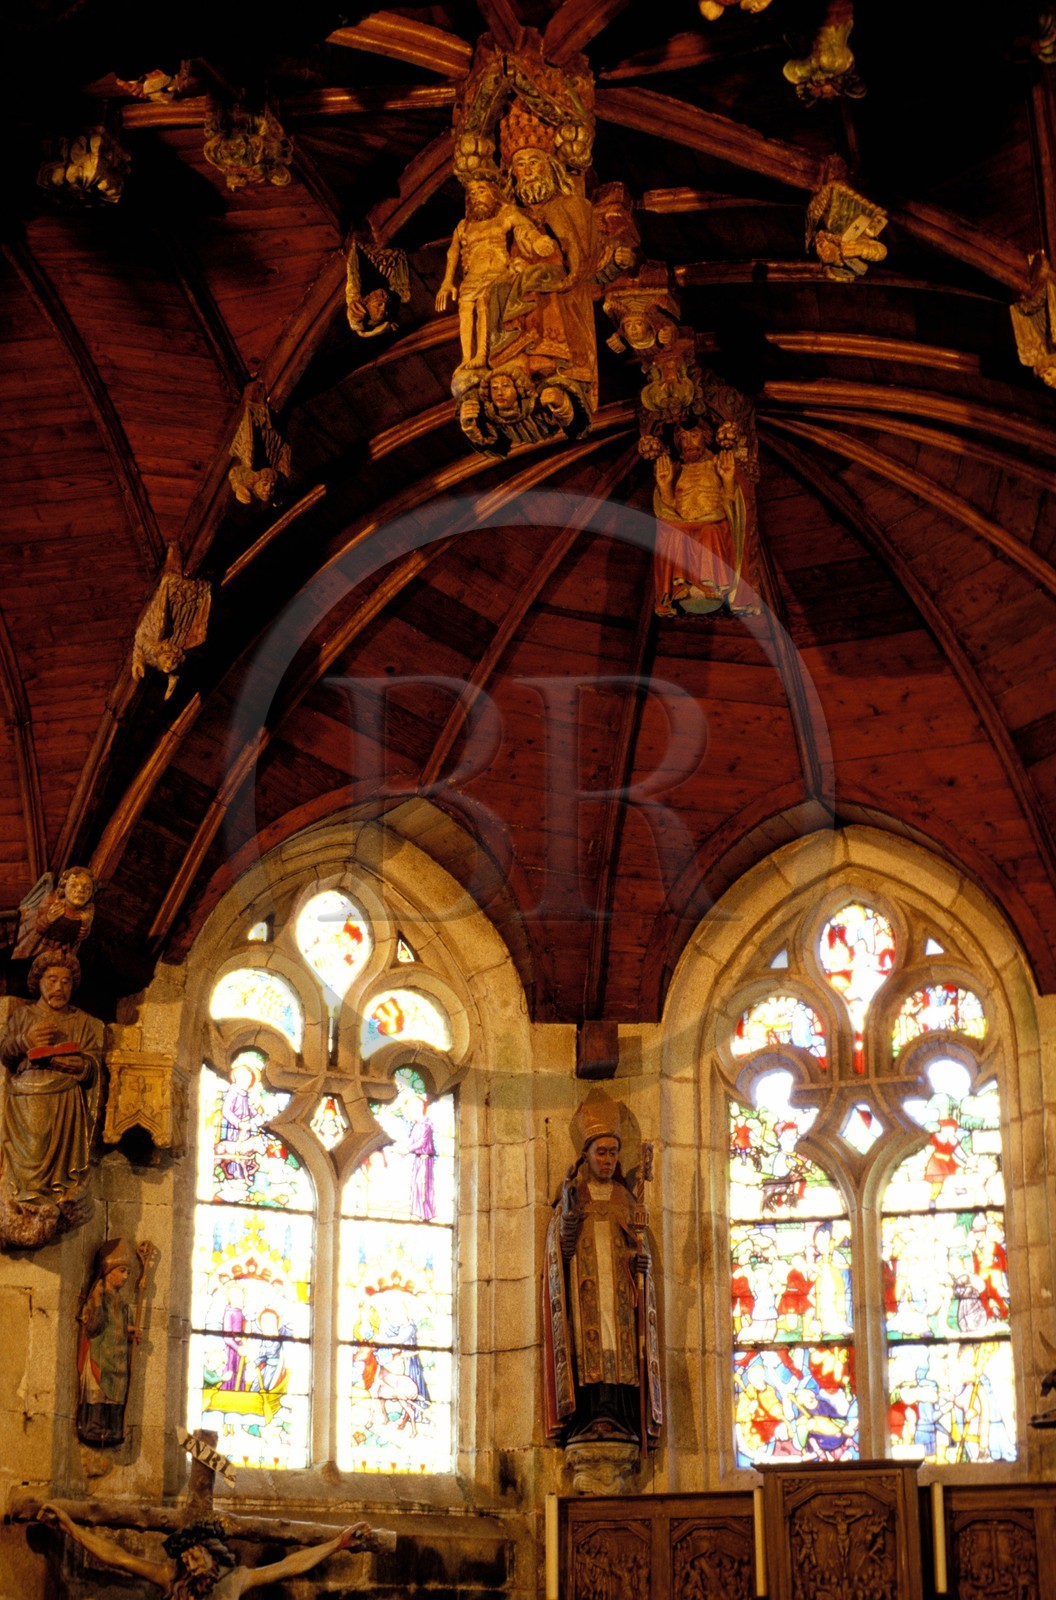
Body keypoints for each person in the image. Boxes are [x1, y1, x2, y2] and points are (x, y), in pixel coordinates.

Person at [542, 1095, 661, 1449]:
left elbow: (640, 1251)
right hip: (586, 1295)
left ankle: (621, 1414)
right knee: (590, 1347)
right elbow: (562, 1250)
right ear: (586, 1156)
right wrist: (568, 1216)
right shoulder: (573, 1197)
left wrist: (642, 1264)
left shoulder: (627, 1200)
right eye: (601, 1153)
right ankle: (589, 1416)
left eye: (613, 1153)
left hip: (620, 1297)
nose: (608, 1160)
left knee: (619, 1346)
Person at [38, 1505, 379, 1599]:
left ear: (213, 1554)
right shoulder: (171, 1578)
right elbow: (116, 1557)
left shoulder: (235, 1581)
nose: (189, 1560)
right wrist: (70, 1527)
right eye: (185, 1556)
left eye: (195, 1553)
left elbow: (289, 1566)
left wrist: (336, 1544)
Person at [0, 949, 103, 1248]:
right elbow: (5, 1054)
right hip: (25, 1103)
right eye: (52, 980)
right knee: (27, 1159)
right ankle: (23, 1203)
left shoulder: (81, 1022)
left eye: (66, 982)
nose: (59, 988)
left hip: (65, 1105)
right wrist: (26, 1041)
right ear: (39, 982)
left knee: (60, 1166)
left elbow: (93, 1066)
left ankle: (57, 1198)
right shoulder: (23, 1016)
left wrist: (81, 1065)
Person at [435, 177, 552, 370]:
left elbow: (524, 227)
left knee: (484, 304)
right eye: (472, 193)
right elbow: (453, 251)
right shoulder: (464, 225)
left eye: (481, 191)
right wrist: (447, 281)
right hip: (472, 276)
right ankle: (466, 357)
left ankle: (481, 354)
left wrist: (537, 239)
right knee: (465, 309)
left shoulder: (505, 214)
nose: (476, 197)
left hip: (496, 272)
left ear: (493, 193)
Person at [76, 1238, 137, 1445]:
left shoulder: (121, 1303)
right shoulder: (98, 1296)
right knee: (98, 1391)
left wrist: (130, 1332)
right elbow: (94, 1327)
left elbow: (118, 1325)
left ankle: (113, 1430)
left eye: (128, 1272)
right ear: (108, 1271)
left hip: (117, 1357)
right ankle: (94, 1428)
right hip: (100, 1354)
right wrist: (96, 1303)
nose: (126, 1276)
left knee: (117, 1391)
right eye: (122, 1271)